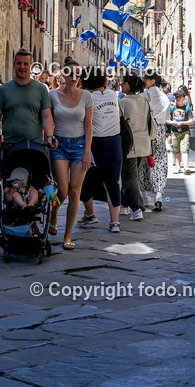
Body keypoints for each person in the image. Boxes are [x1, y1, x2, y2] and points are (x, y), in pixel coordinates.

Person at [48, 58, 93, 249]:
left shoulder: (86, 96)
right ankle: (54, 212)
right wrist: (48, 138)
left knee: (75, 191)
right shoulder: (52, 95)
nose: (74, 77)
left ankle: (67, 236)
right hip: (59, 145)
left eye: (77, 74)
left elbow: (89, 125)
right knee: (62, 189)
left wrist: (87, 152)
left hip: (80, 146)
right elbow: (48, 120)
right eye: (70, 73)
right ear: (63, 75)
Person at [0, 49, 56, 152]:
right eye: (19, 63)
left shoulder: (41, 89)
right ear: (14, 65)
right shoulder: (4, 89)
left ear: (31, 67)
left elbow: (47, 116)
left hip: (34, 145)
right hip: (9, 145)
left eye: (26, 64)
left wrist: (49, 137)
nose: (22, 67)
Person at [81, 67, 122, 233]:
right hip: (114, 141)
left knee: (85, 180)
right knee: (112, 181)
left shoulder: (86, 97)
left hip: (95, 142)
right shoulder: (113, 94)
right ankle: (114, 222)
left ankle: (90, 214)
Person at [119, 74, 154, 222]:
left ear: (128, 85)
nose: (121, 85)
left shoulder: (122, 102)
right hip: (143, 142)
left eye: (122, 83)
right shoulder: (144, 100)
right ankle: (124, 204)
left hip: (129, 144)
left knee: (129, 178)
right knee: (132, 177)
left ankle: (137, 208)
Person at [140, 69, 171, 211]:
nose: (143, 80)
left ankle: (144, 197)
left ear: (152, 81)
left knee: (143, 162)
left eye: (145, 78)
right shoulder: (164, 97)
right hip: (159, 130)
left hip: (145, 130)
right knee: (159, 162)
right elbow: (166, 117)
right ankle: (158, 196)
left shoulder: (142, 95)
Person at [168, 88, 193, 173]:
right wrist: (172, 122)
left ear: (183, 98)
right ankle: (177, 166)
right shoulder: (172, 108)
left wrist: (182, 123)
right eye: (176, 97)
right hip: (175, 132)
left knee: (185, 149)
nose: (177, 98)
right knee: (176, 149)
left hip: (184, 131)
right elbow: (167, 120)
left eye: (179, 97)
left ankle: (186, 166)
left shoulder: (187, 108)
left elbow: (191, 121)